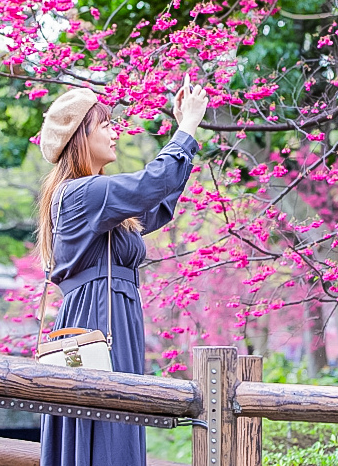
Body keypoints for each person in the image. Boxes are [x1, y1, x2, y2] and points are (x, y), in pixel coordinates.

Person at [35, 76, 208, 466]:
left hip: (110, 311)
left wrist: (185, 138)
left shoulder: (98, 198)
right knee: (110, 420)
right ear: (82, 137)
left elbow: (156, 203)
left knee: (117, 416)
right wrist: (186, 129)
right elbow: (150, 185)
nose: (116, 133)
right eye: (106, 125)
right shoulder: (83, 193)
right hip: (99, 314)